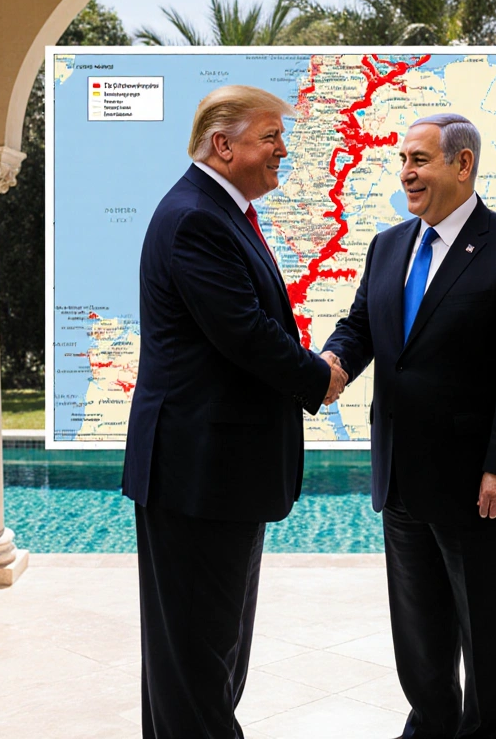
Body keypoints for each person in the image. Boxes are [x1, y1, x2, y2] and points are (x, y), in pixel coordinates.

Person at [121, 84, 348, 739]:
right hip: (199, 476)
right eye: (271, 137)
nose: (284, 151)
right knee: (198, 663)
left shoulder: (220, 212)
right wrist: (319, 376)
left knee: (205, 657)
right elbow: (243, 333)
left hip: (216, 477)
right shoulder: (196, 217)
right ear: (223, 145)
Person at [322, 113, 496, 738]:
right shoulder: (388, 245)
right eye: (403, 159)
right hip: (401, 479)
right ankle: (428, 727)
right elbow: (362, 327)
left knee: (488, 637)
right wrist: (331, 363)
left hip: (480, 488)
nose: (406, 172)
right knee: (420, 635)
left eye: (420, 159)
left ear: (462, 164)